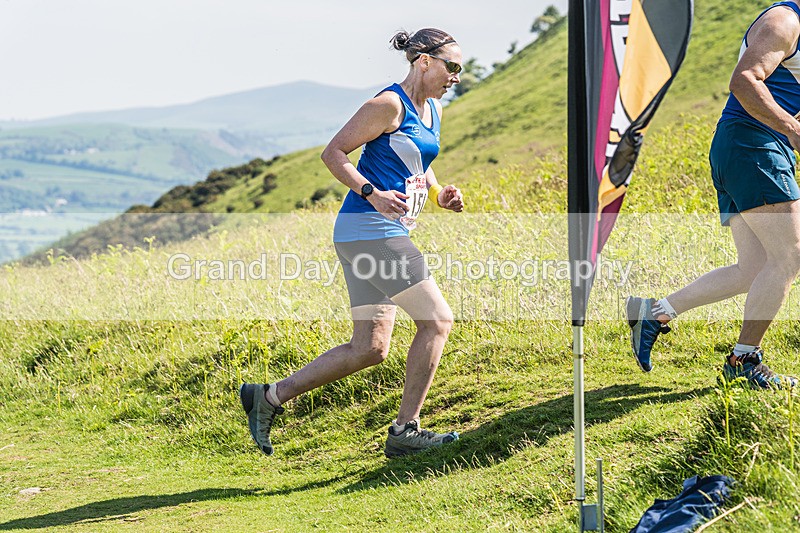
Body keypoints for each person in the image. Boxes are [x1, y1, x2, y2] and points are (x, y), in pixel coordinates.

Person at [240, 28, 465, 457]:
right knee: (437, 321)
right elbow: (333, 153)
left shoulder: (432, 108)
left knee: (370, 348)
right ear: (423, 62)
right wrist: (372, 193)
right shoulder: (387, 104)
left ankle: (267, 397)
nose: (456, 76)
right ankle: (405, 433)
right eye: (450, 66)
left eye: (460, 69)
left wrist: (439, 194)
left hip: (373, 234)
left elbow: (419, 162)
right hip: (370, 230)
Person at [627, 1, 800, 389]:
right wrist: (792, 128)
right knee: (790, 254)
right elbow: (743, 81)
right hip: (753, 145)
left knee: (754, 269)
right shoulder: (785, 21)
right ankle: (744, 361)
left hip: (744, 147)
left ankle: (654, 314)